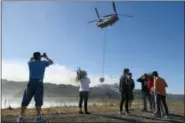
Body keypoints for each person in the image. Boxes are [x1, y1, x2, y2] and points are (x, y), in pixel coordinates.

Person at [17, 52, 54, 123]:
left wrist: (38, 56)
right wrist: (45, 57)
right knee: (38, 101)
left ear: (34, 57)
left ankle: (21, 117)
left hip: (30, 83)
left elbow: (31, 58)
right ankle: (38, 118)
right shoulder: (43, 63)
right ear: (39, 57)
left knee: (25, 100)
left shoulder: (30, 63)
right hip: (39, 84)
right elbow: (51, 62)